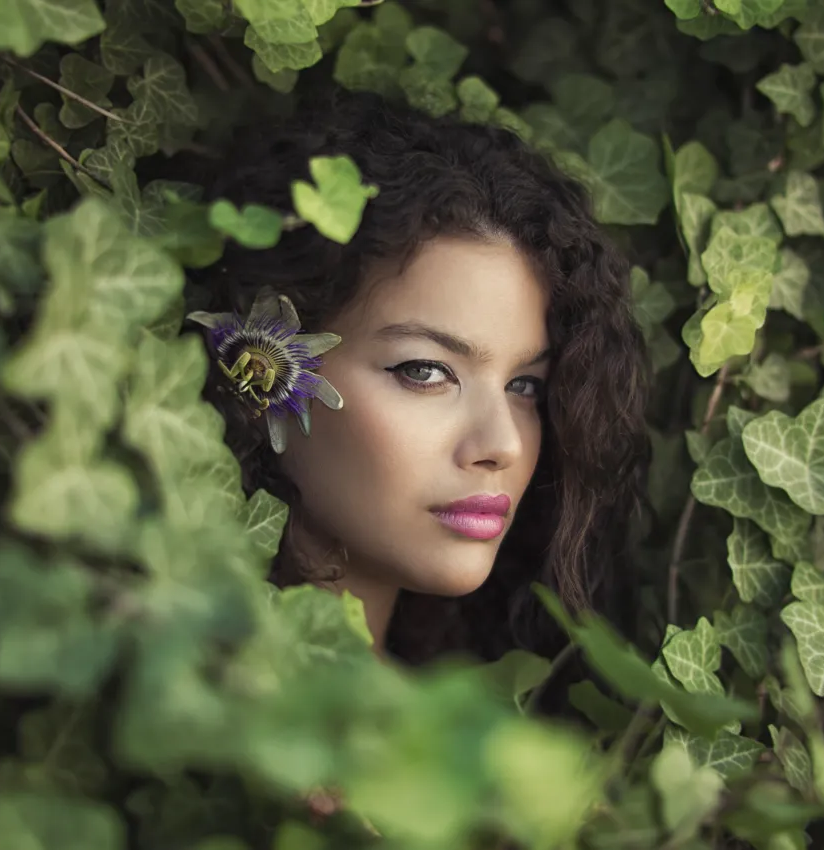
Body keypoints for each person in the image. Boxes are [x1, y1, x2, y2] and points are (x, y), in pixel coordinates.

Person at [183, 89, 650, 683]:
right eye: (425, 371)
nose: (502, 444)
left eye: (527, 386)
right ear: (253, 373)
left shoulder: (482, 751)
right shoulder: (169, 718)